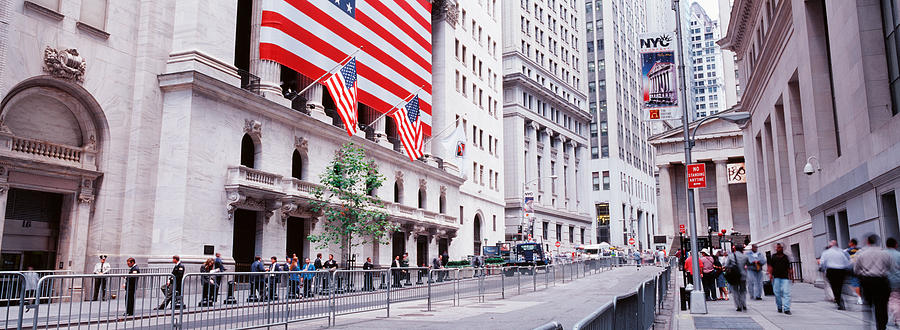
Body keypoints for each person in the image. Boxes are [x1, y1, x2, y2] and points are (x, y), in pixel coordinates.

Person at [855, 234, 892, 330]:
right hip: (881, 281)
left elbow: (856, 269)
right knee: (882, 305)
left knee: (868, 305)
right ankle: (881, 326)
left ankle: (868, 325)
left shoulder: (861, 254)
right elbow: (889, 267)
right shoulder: (884, 253)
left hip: (867, 281)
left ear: (867, 241)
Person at [820, 240, 852, 310]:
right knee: (840, 286)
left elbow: (822, 262)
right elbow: (847, 261)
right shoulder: (842, 251)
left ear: (830, 246)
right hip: (841, 270)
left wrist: (823, 268)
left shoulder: (826, 252)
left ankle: (839, 301)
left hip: (831, 271)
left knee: (834, 287)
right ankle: (841, 299)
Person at [768, 243, 793, 314]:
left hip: (785, 277)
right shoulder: (773, 257)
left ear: (782, 248)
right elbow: (770, 266)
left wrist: (791, 276)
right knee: (777, 293)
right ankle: (779, 306)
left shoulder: (786, 257)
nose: (778, 249)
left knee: (786, 292)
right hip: (776, 277)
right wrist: (770, 274)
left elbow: (789, 267)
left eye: (779, 247)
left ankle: (786, 308)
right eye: (777, 248)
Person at [725, 244, 749, 312]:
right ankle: (743, 304)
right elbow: (748, 264)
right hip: (743, 275)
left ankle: (738, 305)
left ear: (735, 249)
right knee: (743, 290)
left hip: (734, 275)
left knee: (735, 290)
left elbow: (726, 265)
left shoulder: (731, 256)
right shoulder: (745, 256)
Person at [885, 238, 900, 325]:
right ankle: (897, 318)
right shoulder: (898, 254)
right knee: (896, 300)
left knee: (890, 300)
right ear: (895, 245)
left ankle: (895, 317)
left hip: (885, 281)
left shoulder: (883, 254)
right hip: (898, 280)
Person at [847, 238, 864, 305]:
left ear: (851, 243)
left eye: (849, 242)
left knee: (855, 284)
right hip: (862, 269)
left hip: (853, 269)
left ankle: (860, 298)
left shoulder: (847, 251)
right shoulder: (861, 250)